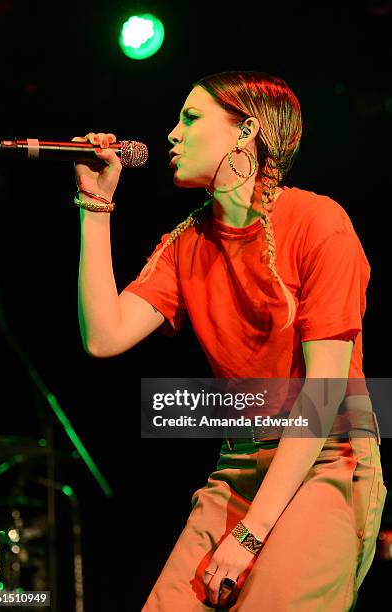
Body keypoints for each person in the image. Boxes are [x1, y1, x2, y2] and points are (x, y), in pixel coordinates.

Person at [72, 71, 387, 611]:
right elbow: (104, 337)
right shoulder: (187, 242)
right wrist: (94, 205)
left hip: (324, 457)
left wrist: (249, 535)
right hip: (241, 460)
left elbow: (326, 391)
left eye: (190, 118)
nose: (172, 133)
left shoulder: (318, 222)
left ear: (247, 131)